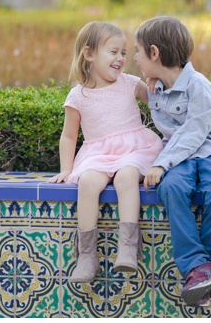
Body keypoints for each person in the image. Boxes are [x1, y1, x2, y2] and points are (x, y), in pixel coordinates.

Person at [134, 16, 211, 307]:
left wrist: (161, 163)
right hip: (180, 157)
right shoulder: (155, 87)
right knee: (170, 188)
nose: (134, 58)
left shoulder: (198, 85)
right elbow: (123, 85)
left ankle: (202, 268)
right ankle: (199, 270)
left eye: (137, 51)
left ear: (154, 53)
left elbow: (195, 131)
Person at [49, 21, 164, 283]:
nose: (121, 58)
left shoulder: (129, 83)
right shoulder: (77, 96)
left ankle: (128, 247)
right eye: (113, 52)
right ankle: (87, 256)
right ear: (89, 54)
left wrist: (158, 83)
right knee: (88, 182)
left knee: (125, 178)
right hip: (98, 153)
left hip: (134, 148)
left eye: (123, 53)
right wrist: (66, 169)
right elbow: (69, 136)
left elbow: (160, 102)